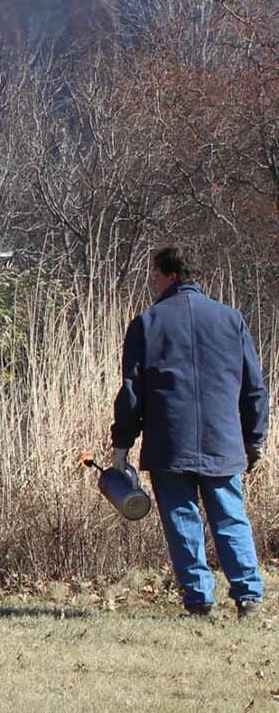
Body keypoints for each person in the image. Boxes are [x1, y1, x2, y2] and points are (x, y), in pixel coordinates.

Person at [111, 246, 268, 619]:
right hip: (223, 439)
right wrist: (255, 438)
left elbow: (132, 392)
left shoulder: (147, 323)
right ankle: (248, 596)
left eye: (155, 276)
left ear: (171, 276)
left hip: (170, 442)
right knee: (230, 517)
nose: (153, 283)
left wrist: (122, 443)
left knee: (183, 519)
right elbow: (254, 387)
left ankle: (199, 601)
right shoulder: (231, 320)